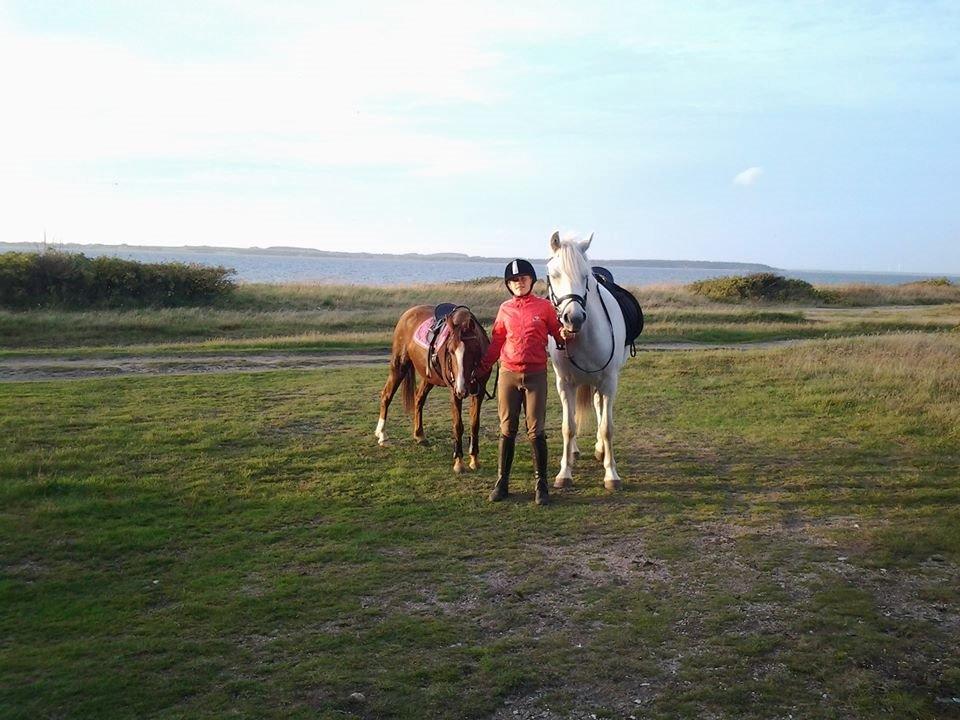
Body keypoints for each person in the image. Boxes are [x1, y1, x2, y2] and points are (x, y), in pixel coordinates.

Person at [478, 258, 573, 505]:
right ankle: (502, 482)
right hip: (508, 375)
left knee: (536, 431)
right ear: (508, 285)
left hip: (535, 376)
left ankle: (541, 485)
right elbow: (497, 342)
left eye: (523, 279)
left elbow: (557, 335)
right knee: (507, 429)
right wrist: (482, 369)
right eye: (513, 280)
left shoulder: (544, 307)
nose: (518, 283)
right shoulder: (504, 309)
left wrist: (564, 335)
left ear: (531, 280)